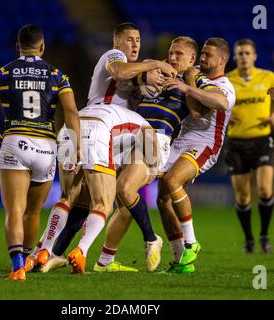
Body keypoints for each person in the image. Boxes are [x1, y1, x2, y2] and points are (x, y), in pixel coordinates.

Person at [32, 22, 175, 272]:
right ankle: (102, 249)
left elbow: (132, 80)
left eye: (138, 39)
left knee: (73, 199)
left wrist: (148, 78)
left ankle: (46, 251)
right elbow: (120, 72)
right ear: (116, 41)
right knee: (106, 202)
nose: (135, 44)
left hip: (76, 127)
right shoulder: (114, 56)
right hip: (100, 128)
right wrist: (154, 63)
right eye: (129, 39)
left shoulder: (133, 74)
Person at [94, 36, 219, 273]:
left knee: (125, 189)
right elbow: (126, 83)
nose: (172, 58)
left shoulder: (194, 79)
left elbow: (203, 107)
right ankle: (105, 262)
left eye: (179, 54)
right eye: (171, 53)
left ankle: (152, 239)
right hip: (130, 134)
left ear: (192, 58)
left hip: (156, 138)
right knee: (122, 204)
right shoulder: (157, 72)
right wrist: (148, 74)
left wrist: (188, 81)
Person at [0, 24, 81, 280]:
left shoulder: (2, 73)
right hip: (46, 147)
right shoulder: (57, 75)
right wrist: (75, 147)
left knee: (14, 210)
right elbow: (70, 113)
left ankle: (17, 267)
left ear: (18, 46)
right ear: (42, 47)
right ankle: (26, 258)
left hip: (15, 142)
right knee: (33, 211)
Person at [157, 37, 236, 272]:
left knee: (172, 181)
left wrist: (187, 87)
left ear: (222, 59)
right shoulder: (195, 71)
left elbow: (219, 104)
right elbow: (171, 66)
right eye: (201, 53)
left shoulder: (225, 86)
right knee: (162, 197)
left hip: (205, 144)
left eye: (208, 55)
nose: (203, 58)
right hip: (181, 139)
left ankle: (192, 242)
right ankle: (181, 259)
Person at [225, 39, 274, 253]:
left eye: (247, 53)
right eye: (240, 53)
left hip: (263, 140)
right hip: (237, 143)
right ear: (235, 57)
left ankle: (264, 235)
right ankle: (249, 239)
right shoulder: (227, 81)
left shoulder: (268, 77)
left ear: (254, 56)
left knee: (265, 189)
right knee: (243, 197)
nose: (244, 56)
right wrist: (225, 117)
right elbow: (216, 108)